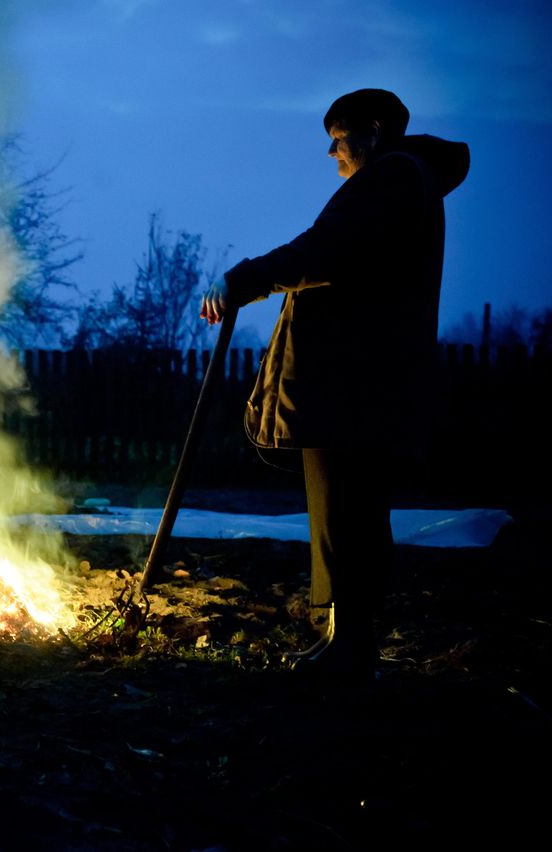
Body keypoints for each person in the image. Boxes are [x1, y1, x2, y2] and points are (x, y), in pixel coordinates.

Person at [200, 88, 470, 679]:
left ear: (372, 130)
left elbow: (324, 252)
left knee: (349, 509)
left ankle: (351, 647)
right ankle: (341, 636)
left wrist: (245, 278)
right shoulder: (403, 180)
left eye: (339, 136)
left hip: (355, 381)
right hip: (359, 379)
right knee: (342, 509)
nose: (331, 151)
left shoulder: (395, 177)